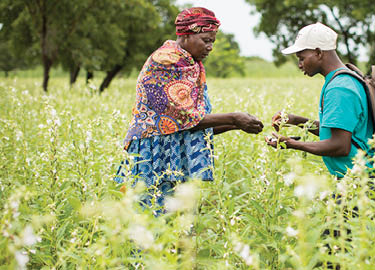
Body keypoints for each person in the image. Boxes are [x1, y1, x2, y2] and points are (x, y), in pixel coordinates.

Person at [115, 7, 263, 209]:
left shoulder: (190, 64)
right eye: (205, 40)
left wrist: (237, 124)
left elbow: (194, 124)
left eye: (212, 41)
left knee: (177, 226)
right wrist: (235, 118)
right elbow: (185, 121)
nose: (210, 47)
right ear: (185, 35)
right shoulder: (166, 62)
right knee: (151, 222)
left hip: (172, 153)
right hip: (154, 155)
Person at [266, 22, 373, 178]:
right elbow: (336, 131)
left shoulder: (339, 88)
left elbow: (340, 145)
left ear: (318, 52)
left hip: (359, 183)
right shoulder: (343, 79)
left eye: (301, 58)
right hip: (356, 179)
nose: (299, 64)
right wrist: (297, 120)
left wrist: (291, 144)